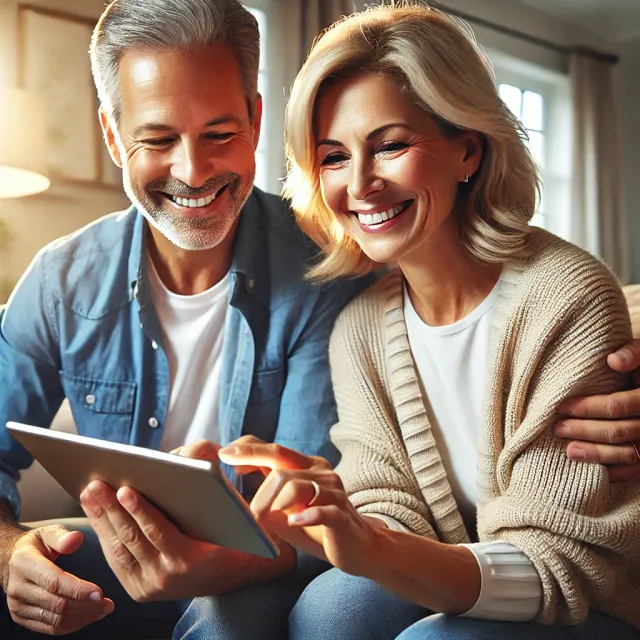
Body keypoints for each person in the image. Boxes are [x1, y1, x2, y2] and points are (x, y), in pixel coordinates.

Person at [209, 5, 640, 639]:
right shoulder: (360, 328)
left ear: (467, 148)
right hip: (458, 578)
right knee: (328, 610)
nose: (360, 185)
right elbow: (387, 509)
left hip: (590, 602)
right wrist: (339, 525)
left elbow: (558, 566)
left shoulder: (564, 298)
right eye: (332, 157)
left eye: (390, 146)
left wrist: (375, 550)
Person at [0, 0, 370, 637]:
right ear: (114, 137)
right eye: (157, 139)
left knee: (225, 619)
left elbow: (316, 513)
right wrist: (11, 555)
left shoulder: (325, 273)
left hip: (272, 562)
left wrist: (210, 568)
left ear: (255, 120)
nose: (193, 172)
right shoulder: (61, 282)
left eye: (219, 134)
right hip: (129, 552)